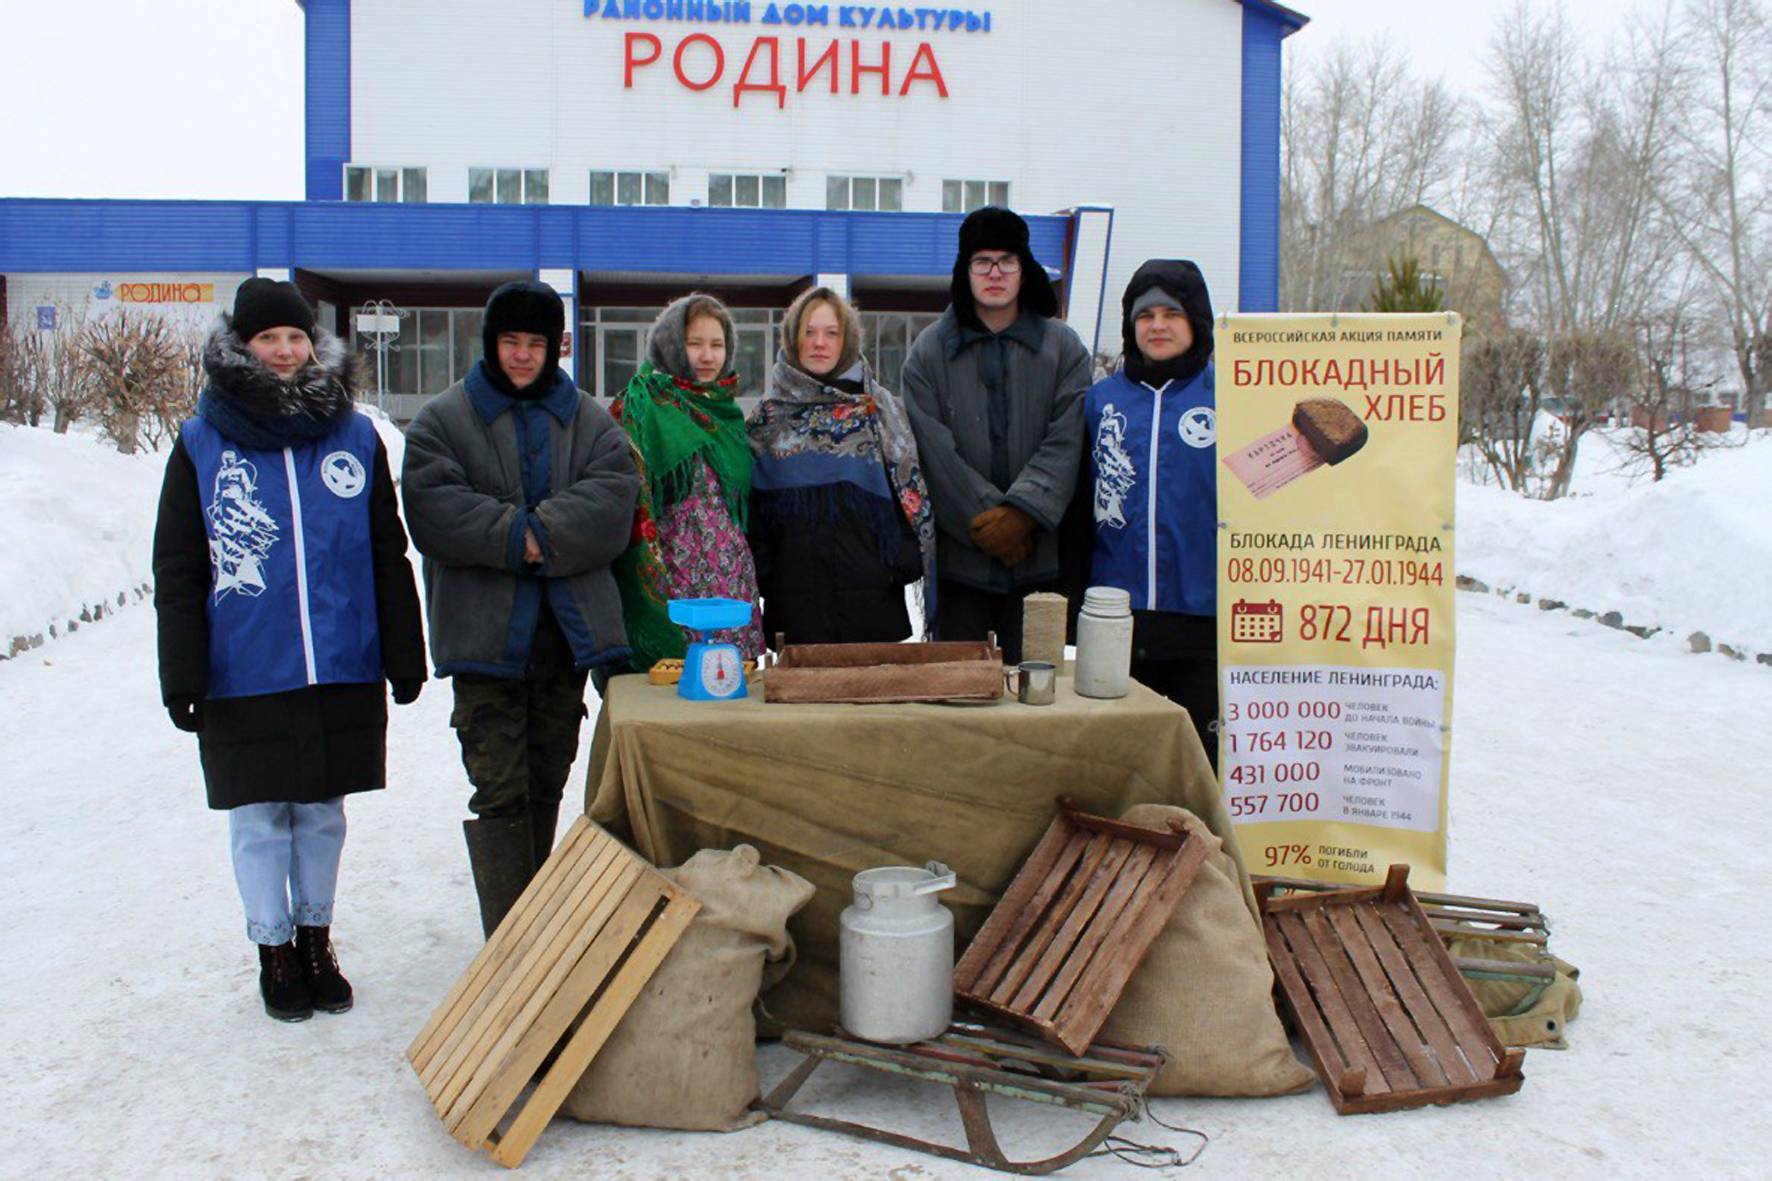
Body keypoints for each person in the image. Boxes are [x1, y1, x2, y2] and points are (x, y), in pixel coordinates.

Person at [153, 278, 427, 1022]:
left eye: (295, 337)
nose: (282, 350)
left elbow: (384, 552)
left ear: (314, 345)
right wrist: (182, 670)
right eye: (267, 338)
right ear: (241, 347)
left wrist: (404, 652)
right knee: (258, 814)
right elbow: (178, 567)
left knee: (322, 810)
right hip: (244, 665)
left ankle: (316, 939)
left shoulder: (354, 436)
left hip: (340, 659)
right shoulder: (200, 442)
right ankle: (273, 949)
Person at [402, 281, 638, 938]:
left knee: (545, 782)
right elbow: (432, 503)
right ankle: (510, 943)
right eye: (512, 342)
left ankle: (532, 925)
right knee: (498, 787)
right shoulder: (443, 420)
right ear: (491, 341)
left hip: (565, 641)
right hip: (485, 643)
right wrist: (518, 535)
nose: (523, 356)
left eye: (536, 343)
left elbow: (614, 497)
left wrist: (544, 532)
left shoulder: (589, 420)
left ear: (556, 346)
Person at [900, 206, 1091, 663]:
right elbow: (931, 450)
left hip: (1040, 566)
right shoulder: (928, 353)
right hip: (961, 569)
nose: (995, 272)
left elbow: (1067, 439)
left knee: (1037, 699)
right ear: (964, 272)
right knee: (962, 704)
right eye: (981, 261)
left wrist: (1024, 514)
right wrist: (991, 524)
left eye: (1007, 260)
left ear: (1024, 271)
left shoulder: (1063, 348)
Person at [1078, 259, 1220, 763]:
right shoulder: (1101, 400)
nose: (1157, 325)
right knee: (1124, 764)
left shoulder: (1228, 396)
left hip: (1205, 617)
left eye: (1172, 314)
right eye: (1145, 316)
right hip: (1120, 618)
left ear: (1196, 320)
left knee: (1200, 765)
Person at [747, 287, 937, 645]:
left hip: (872, 606)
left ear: (847, 339)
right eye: (809, 332)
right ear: (792, 338)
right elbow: (753, 514)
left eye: (831, 333)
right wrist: (769, 573)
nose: (820, 342)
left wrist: (897, 565)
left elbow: (908, 494)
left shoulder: (879, 410)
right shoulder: (767, 418)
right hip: (794, 609)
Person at [610, 293, 764, 671]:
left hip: (731, 583)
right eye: (694, 344)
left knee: (731, 690)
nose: (708, 356)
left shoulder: (727, 414)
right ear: (672, 345)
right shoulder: (643, 402)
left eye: (717, 344)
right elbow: (627, 501)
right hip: (675, 583)